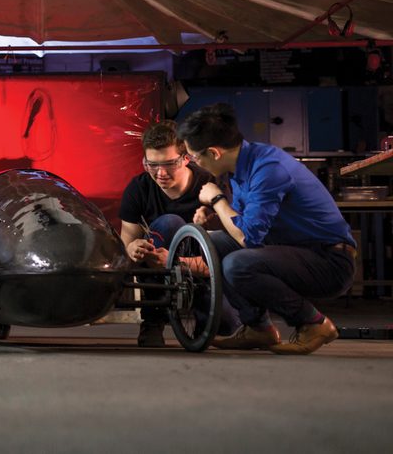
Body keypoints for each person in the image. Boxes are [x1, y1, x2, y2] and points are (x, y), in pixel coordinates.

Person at [177, 103, 356, 355]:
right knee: (212, 244)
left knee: (237, 264)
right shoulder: (240, 167)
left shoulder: (267, 168)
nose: (195, 164)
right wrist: (216, 215)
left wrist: (217, 200)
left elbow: (248, 238)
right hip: (292, 251)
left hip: (329, 262)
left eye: (195, 158)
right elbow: (243, 223)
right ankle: (258, 328)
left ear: (214, 153)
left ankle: (314, 324)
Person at [119, 120, 224, 347]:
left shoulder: (209, 185)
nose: (160, 173)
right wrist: (132, 248)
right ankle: (153, 318)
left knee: (226, 327)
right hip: (157, 264)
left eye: (169, 164)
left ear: (186, 158)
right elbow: (125, 243)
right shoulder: (139, 188)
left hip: (204, 269)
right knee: (168, 224)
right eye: (152, 165)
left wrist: (176, 262)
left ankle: (201, 313)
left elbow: (224, 258)